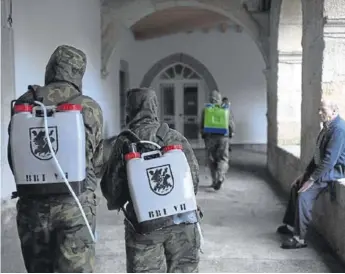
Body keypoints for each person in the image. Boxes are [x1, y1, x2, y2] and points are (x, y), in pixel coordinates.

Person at [7, 45, 103, 272]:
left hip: (32, 207)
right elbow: (96, 162)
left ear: (50, 69)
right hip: (75, 205)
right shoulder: (88, 106)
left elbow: (14, 157)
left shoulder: (24, 103)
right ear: (78, 73)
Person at [100, 87, 201, 273]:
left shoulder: (125, 143)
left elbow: (112, 194)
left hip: (145, 227)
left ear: (129, 110)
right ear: (155, 107)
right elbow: (193, 182)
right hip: (184, 224)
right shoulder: (175, 137)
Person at [277, 99, 345, 249]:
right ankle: (291, 226)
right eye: (319, 110)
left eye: (323, 110)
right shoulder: (327, 127)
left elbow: (329, 161)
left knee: (304, 194)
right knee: (297, 186)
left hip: (337, 169)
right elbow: (317, 156)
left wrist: (311, 180)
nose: (320, 113)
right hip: (326, 166)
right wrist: (305, 175)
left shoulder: (339, 129)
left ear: (334, 111)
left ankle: (299, 238)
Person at [201, 90, 235, 190]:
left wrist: (203, 135)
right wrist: (231, 134)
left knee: (211, 159)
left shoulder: (206, 110)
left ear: (210, 98)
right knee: (223, 158)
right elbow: (231, 124)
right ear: (219, 99)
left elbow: (201, 125)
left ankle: (214, 180)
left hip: (210, 137)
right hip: (223, 138)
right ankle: (220, 176)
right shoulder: (225, 109)